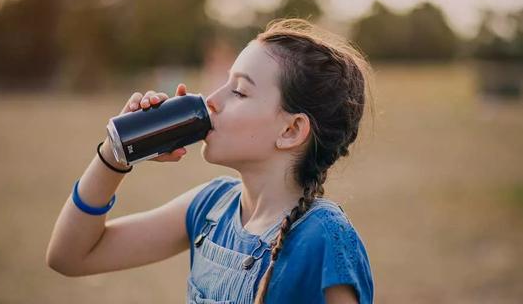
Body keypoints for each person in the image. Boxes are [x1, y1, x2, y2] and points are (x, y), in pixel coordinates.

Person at [46, 18, 375, 304]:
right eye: (224, 83)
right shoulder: (211, 207)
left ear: (291, 129)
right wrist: (115, 154)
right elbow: (71, 256)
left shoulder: (324, 239)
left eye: (240, 92)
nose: (211, 101)